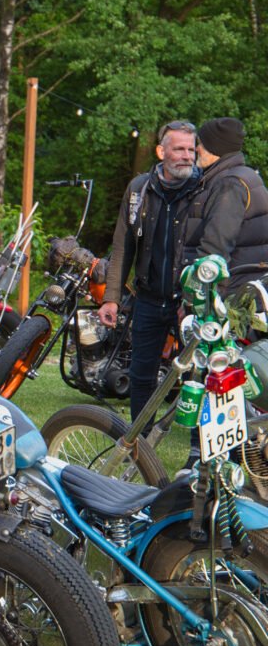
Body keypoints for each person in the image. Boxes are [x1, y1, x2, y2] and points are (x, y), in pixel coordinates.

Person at [98, 120, 201, 427]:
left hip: (191, 303)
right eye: (179, 149)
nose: (187, 156)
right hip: (149, 298)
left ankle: (198, 453)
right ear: (161, 151)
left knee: (198, 377)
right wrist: (112, 297)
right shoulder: (138, 189)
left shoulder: (206, 189)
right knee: (141, 375)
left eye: (191, 149)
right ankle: (139, 442)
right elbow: (122, 246)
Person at [189, 117, 268, 294]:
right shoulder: (245, 176)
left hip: (229, 298)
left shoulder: (229, 185)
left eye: (200, 144)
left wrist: (194, 298)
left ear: (215, 147)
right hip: (247, 292)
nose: (196, 149)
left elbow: (215, 250)